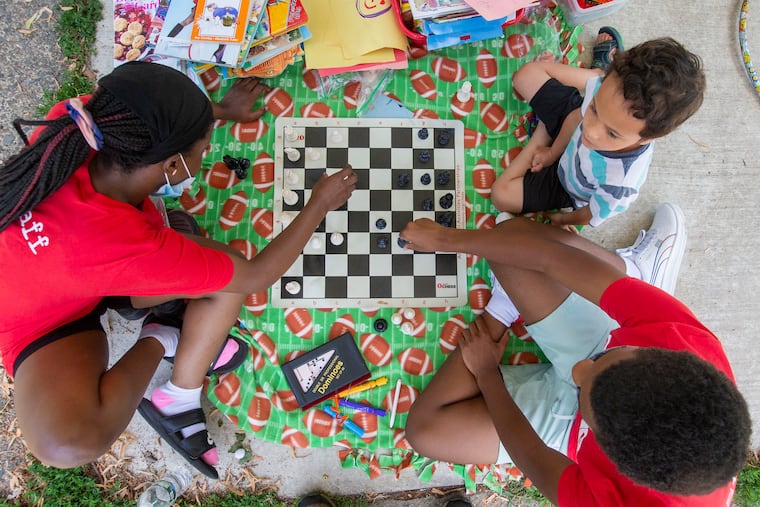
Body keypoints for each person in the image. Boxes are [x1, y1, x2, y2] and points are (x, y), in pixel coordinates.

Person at [0, 61, 357, 479]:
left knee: (190, 247)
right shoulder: (131, 244)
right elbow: (256, 275)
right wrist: (318, 204)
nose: (205, 156)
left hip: (74, 278)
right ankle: (168, 352)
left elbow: (145, 114)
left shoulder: (80, 124)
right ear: (172, 166)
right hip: (41, 327)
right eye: (202, 150)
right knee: (67, 442)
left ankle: (148, 310)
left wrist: (217, 111)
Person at [400, 204, 751, 505]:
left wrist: (488, 374)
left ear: (610, 456)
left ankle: (502, 313)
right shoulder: (681, 337)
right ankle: (637, 274)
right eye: (601, 362)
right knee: (511, 241)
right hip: (605, 344)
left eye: (584, 386)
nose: (579, 370)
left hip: (565, 432)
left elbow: (534, 455)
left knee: (425, 432)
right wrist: (445, 240)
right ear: (660, 355)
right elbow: (551, 258)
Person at [490, 32, 706, 229]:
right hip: (569, 127)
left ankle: (544, 130)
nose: (591, 132)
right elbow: (577, 118)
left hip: (566, 185)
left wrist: (563, 220)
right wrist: (551, 152)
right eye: (594, 108)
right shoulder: (607, 94)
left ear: (647, 138)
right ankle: (595, 73)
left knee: (501, 196)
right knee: (526, 75)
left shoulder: (621, 182)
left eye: (612, 133)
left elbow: (590, 213)